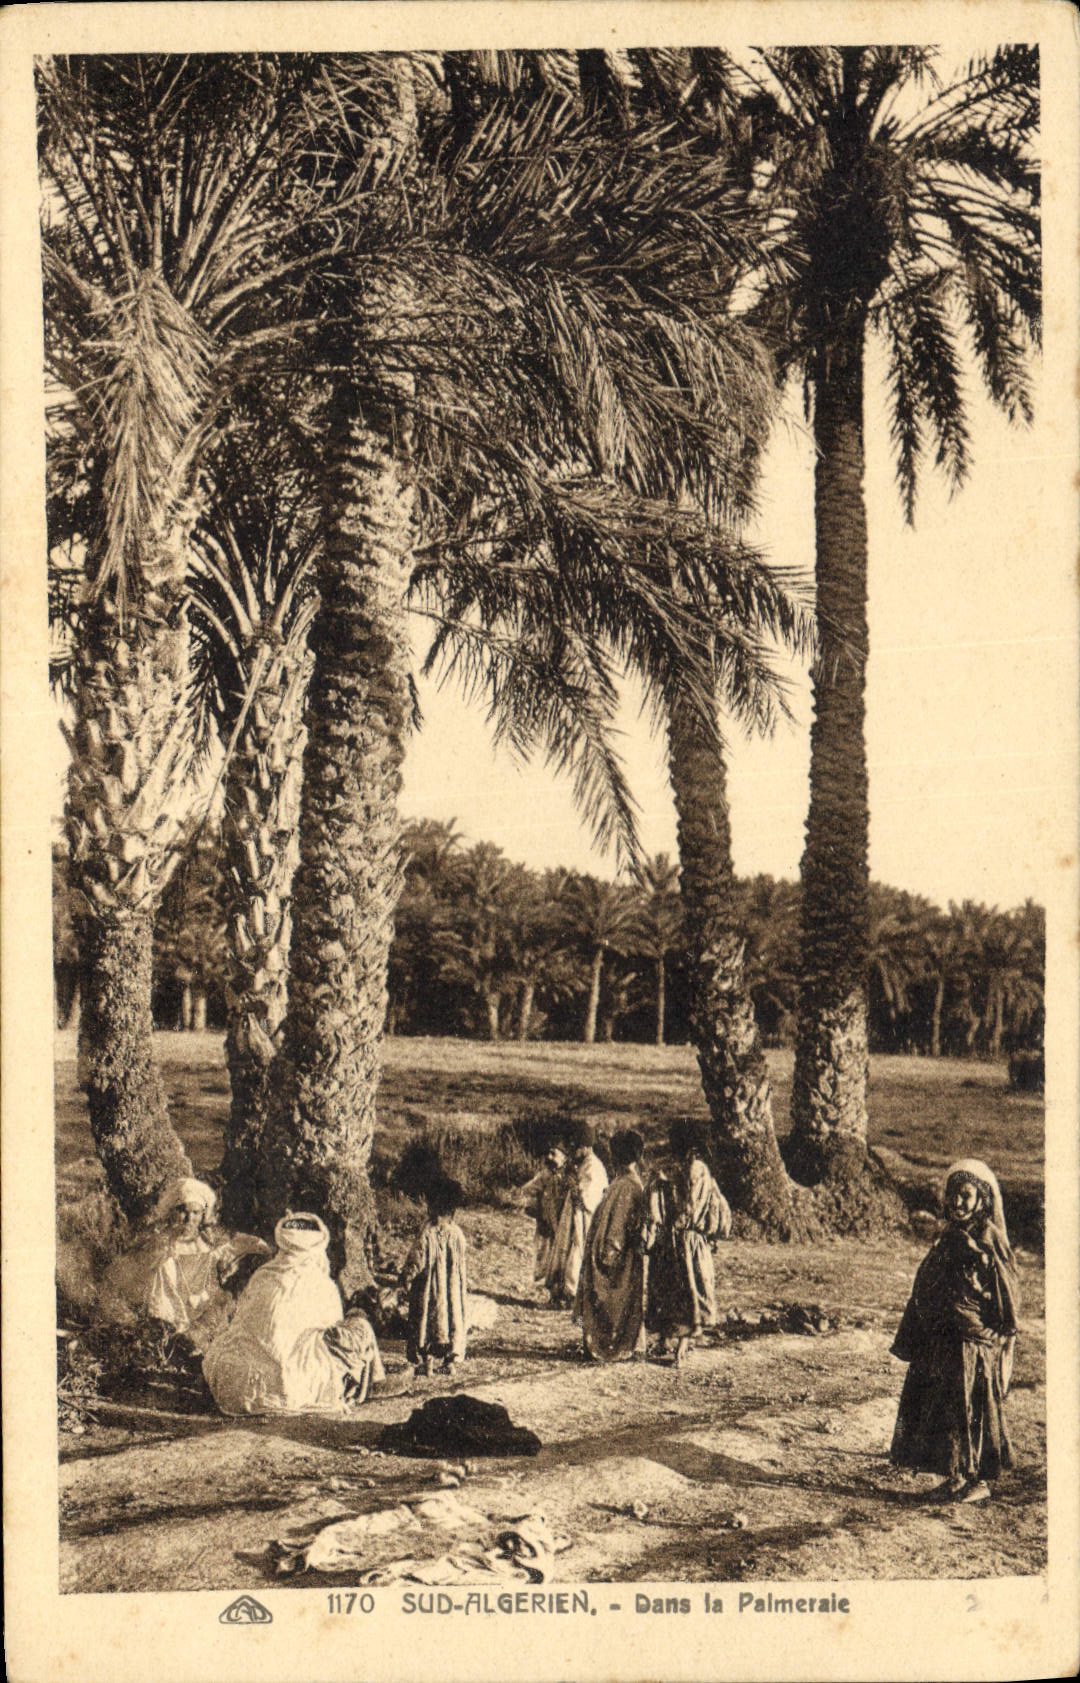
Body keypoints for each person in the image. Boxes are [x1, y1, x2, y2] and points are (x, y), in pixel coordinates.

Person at [890, 1158, 1020, 1503]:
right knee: (946, 1407)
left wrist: (980, 1268)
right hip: (943, 1339)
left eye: (966, 1196)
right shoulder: (948, 1236)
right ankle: (955, 1473)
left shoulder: (989, 1238)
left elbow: (1007, 1291)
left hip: (972, 1341)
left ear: (982, 1200)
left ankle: (980, 1479)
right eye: (954, 1196)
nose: (958, 1203)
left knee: (974, 1408)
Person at [202, 1213, 384, 1414]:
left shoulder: (262, 1275)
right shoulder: (321, 1283)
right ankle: (366, 1386)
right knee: (360, 1327)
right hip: (293, 1384)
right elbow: (331, 1331)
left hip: (237, 1384)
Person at [96, 1177, 269, 1353]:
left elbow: (239, 1244)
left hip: (202, 1300)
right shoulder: (163, 1240)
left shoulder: (210, 1241)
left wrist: (262, 1248)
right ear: (173, 1212)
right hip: (169, 1303)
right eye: (183, 1212)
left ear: (203, 1215)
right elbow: (137, 1267)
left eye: (195, 1213)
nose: (189, 1218)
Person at [644, 1119, 731, 1367]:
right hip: (678, 1238)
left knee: (685, 1288)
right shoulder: (683, 1167)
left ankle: (681, 1344)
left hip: (685, 1239)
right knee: (670, 1286)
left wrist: (665, 1184)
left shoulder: (695, 1170)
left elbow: (688, 1208)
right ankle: (667, 1338)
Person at [575, 1129, 648, 1362]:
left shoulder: (627, 1186)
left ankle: (613, 1346)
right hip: (616, 1252)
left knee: (615, 1301)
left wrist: (609, 1252)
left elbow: (619, 1224)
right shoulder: (624, 1182)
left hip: (618, 1255)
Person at [400, 1177, 469, 1377]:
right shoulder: (457, 1234)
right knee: (451, 1319)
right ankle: (449, 1362)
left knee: (426, 1321)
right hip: (452, 1289)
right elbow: (461, 1263)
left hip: (428, 1288)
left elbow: (416, 1259)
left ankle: (427, 1362)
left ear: (431, 1206)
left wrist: (406, 1276)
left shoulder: (427, 1233)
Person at [547, 1123, 608, 1307]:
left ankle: (571, 1295)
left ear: (587, 1147)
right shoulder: (582, 1164)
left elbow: (589, 1197)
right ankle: (561, 1293)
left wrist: (575, 1187)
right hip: (574, 1216)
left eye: (578, 1147)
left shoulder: (593, 1167)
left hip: (584, 1220)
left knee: (577, 1254)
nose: (575, 1150)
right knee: (564, 1253)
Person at [518, 1143, 568, 1291]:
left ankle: (559, 1286)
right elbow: (527, 1189)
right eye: (549, 1153)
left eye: (554, 1154)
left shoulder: (568, 1176)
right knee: (543, 1251)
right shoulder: (545, 1174)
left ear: (564, 1158)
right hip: (545, 1220)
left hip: (561, 1222)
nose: (549, 1157)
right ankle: (543, 1281)